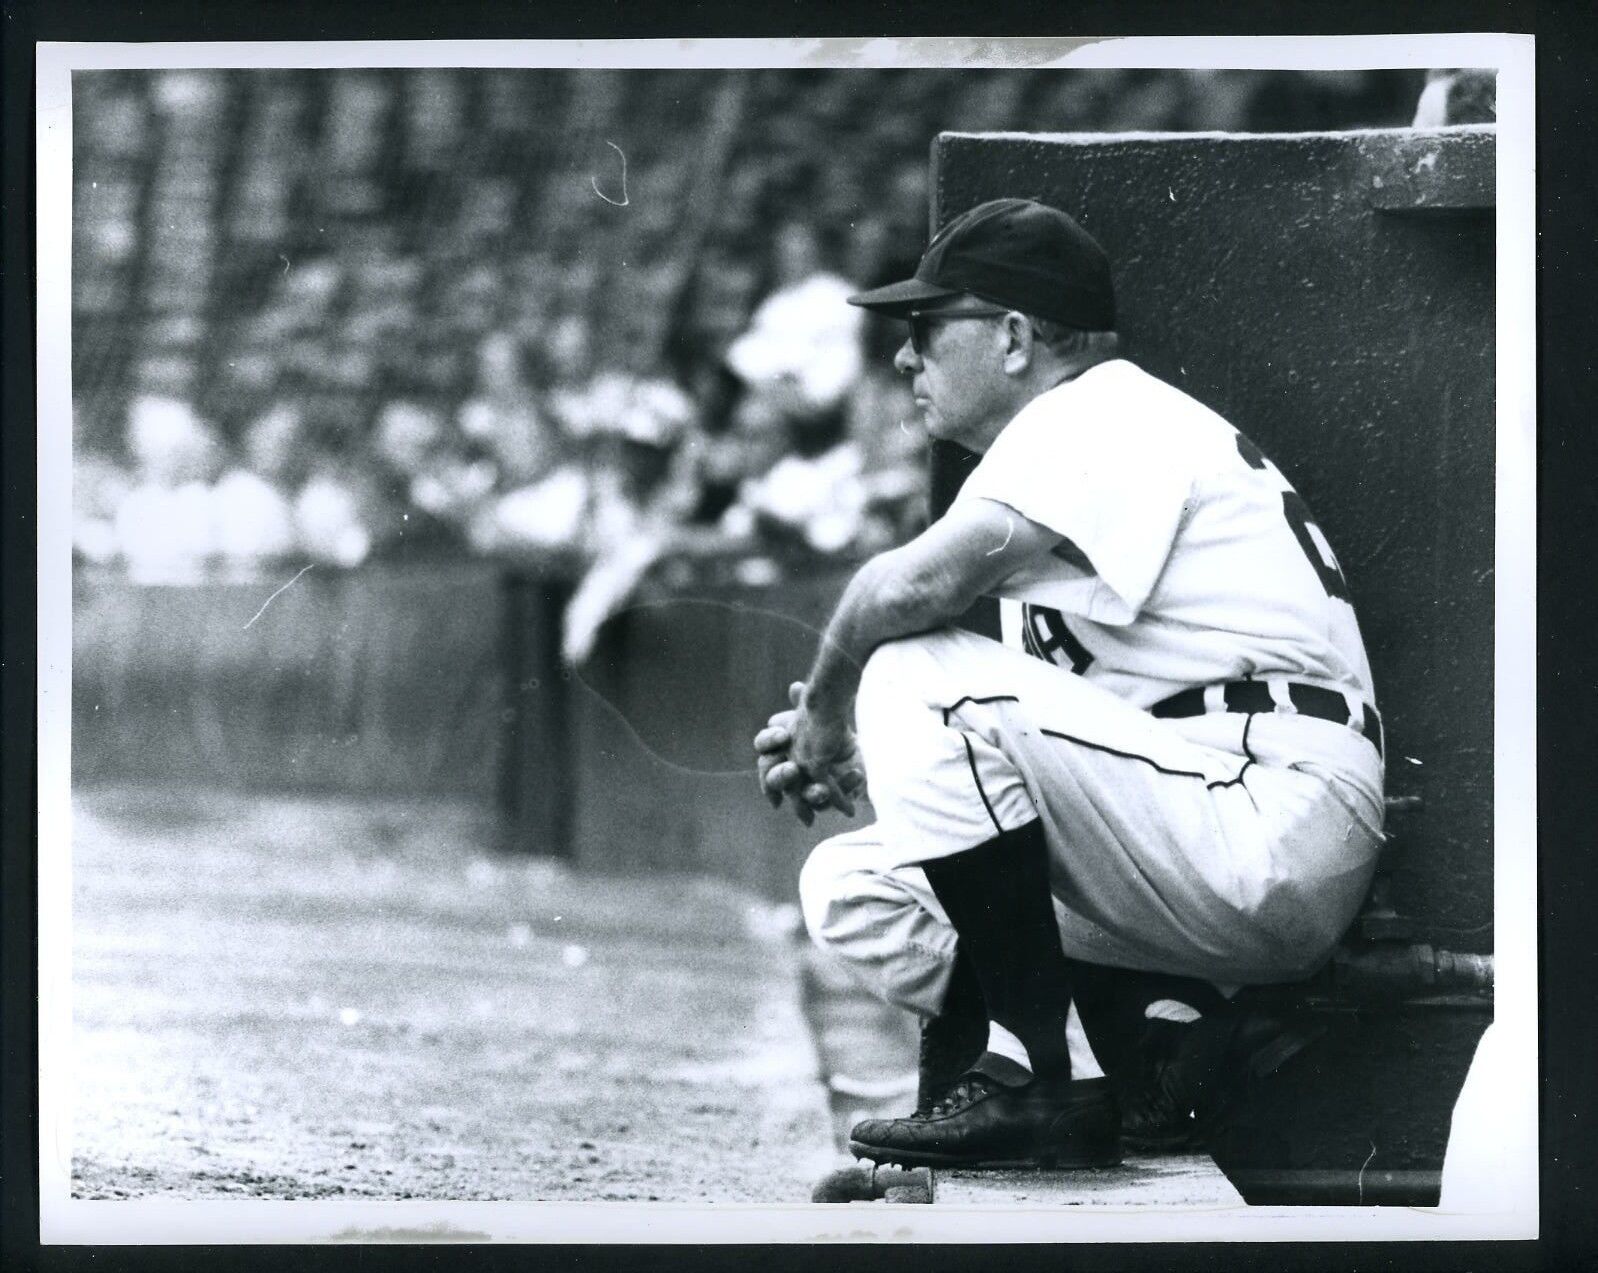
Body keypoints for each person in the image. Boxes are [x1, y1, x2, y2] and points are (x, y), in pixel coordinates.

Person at [754, 198, 1385, 1169]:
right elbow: (1038, 772)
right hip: (1201, 808)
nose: (902, 359)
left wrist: (832, 712)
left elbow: (911, 590)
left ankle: (1033, 1074)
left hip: (1268, 805)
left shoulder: (1097, 409)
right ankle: (1149, 1043)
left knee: (917, 664)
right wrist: (854, 750)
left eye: (926, 329)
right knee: (850, 884)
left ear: (1012, 337)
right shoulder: (1068, 451)